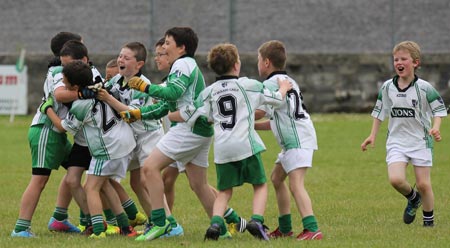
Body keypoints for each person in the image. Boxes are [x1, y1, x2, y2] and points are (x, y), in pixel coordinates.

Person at [169, 43, 292, 241]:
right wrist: (284, 88)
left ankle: (216, 223)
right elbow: (276, 101)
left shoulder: (208, 93)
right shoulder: (249, 85)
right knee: (260, 184)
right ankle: (257, 220)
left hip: (222, 149)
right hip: (246, 144)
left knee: (225, 191)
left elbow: (199, 114)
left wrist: (170, 115)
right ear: (236, 65)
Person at [122, 26, 218, 241]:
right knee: (199, 185)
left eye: (167, 43)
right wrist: (138, 113)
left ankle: (161, 223)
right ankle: (222, 225)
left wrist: (146, 88)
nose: (163, 47)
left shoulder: (183, 64)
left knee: (149, 168)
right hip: (199, 128)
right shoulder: (186, 65)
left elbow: (172, 93)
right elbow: (166, 105)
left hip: (189, 128)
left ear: (182, 48)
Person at [44, 60, 138, 238]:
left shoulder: (80, 105)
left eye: (65, 81)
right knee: (105, 184)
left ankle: (98, 229)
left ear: (75, 85)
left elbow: (64, 127)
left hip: (107, 148)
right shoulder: (101, 89)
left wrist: (47, 108)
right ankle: (126, 228)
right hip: (124, 142)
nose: (63, 84)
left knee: (91, 187)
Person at [97, 41, 182, 237]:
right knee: (136, 183)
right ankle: (154, 220)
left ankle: (171, 224)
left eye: (126, 58)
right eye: (120, 56)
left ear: (139, 64)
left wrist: (108, 98)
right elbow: (104, 91)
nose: (120, 60)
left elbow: (132, 113)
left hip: (148, 136)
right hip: (129, 138)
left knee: (147, 179)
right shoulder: (116, 81)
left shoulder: (144, 85)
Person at [361, 41, 447, 227]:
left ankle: (428, 223)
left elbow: (439, 110)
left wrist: (436, 127)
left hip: (420, 141)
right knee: (396, 179)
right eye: (395, 59)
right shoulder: (387, 87)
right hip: (396, 141)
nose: (399, 62)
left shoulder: (424, 88)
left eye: (403, 59)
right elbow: (379, 112)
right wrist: (372, 135)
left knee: (424, 184)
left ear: (415, 62)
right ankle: (413, 198)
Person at [11, 32, 81, 238]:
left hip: (57, 132)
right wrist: (88, 92)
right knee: (39, 179)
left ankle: (59, 219)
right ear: (65, 52)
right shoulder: (59, 71)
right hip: (46, 131)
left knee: (76, 169)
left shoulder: (62, 69)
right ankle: (21, 228)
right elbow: (60, 95)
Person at [254, 40, 323, 240]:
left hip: (297, 140)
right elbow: (278, 119)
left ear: (266, 62)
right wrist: (252, 126)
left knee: (296, 184)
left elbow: (260, 112)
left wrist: (242, 117)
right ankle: (285, 228)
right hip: (299, 137)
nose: (258, 64)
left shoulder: (268, 84)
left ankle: (312, 229)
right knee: (277, 179)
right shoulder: (289, 80)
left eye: (258, 60)